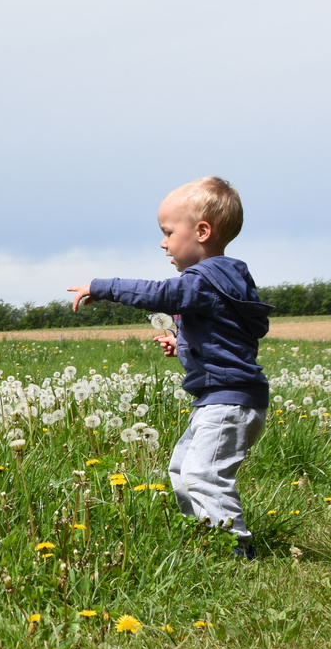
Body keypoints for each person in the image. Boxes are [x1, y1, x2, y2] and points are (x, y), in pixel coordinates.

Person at [66, 176, 273, 559]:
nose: (163, 243)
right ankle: (208, 539)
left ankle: (237, 552)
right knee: (181, 469)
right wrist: (184, 344)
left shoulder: (205, 280)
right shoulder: (224, 282)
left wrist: (101, 285)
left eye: (167, 232)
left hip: (227, 403)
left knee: (203, 475)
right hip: (221, 399)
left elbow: (159, 294)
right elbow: (225, 340)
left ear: (202, 231)